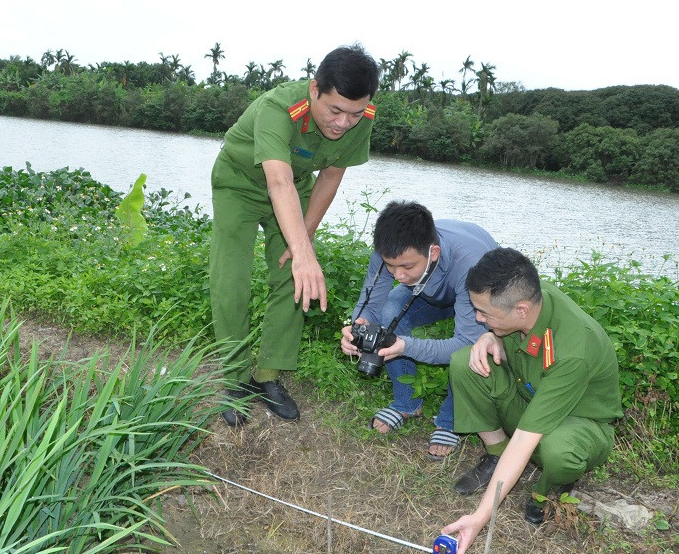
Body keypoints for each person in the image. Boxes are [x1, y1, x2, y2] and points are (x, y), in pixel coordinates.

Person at [210, 44, 380, 427]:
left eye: (353, 114)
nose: (342, 123)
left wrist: (302, 241)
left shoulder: (361, 115)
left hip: (295, 185)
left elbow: (332, 175)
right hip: (240, 183)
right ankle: (235, 379)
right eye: (334, 110)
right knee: (232, 279)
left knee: (292, 274)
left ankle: (267, 376)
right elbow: (277, 179)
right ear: (314, 88)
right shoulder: (279, 108)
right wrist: (303, 253)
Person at [435, 248, 622, 554]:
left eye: (484, 313)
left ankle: (546, 490)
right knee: (466, 362)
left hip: (580, 423)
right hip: (530, 396)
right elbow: (522, 355)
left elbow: (525, 438)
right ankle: (497, 456)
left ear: (521, 309)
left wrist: (480, 517)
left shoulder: (573, 349)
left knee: (559, 451)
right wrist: (490, 338)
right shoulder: (531, 299)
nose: (478, 318)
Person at [340, 201, 497, 459]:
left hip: (477, 293)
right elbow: (370, 304)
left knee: (472, 352)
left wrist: (406, 346)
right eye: (392, 266)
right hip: (430, 291)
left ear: (433, 252)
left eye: (407, 267)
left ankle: (450, 419)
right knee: (390, 309)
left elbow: (467, 343)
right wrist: (357, 328)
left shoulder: (473, 264)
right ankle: (406, 404)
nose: (398, 275)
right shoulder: (390, 252)